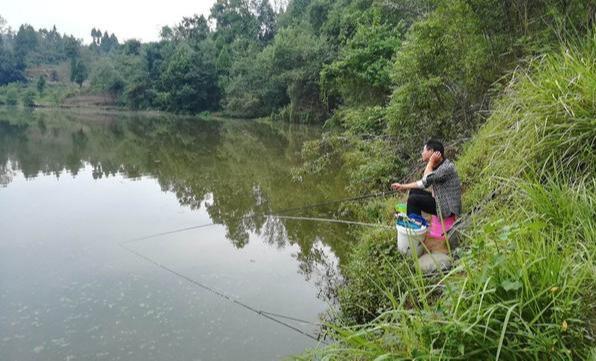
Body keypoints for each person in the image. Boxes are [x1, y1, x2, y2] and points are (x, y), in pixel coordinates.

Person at [391, 139, 461, 220]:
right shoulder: (438, 165)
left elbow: (425, 181)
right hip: (440, 200)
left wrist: (430, 162)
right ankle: (415, 219)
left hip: (447, 208)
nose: (422, 153)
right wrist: (402, 186)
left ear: (431, 151)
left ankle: (415, 226)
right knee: (414, 191)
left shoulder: (446, 168)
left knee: (413, 200)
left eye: (424, 150)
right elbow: (423, 183)